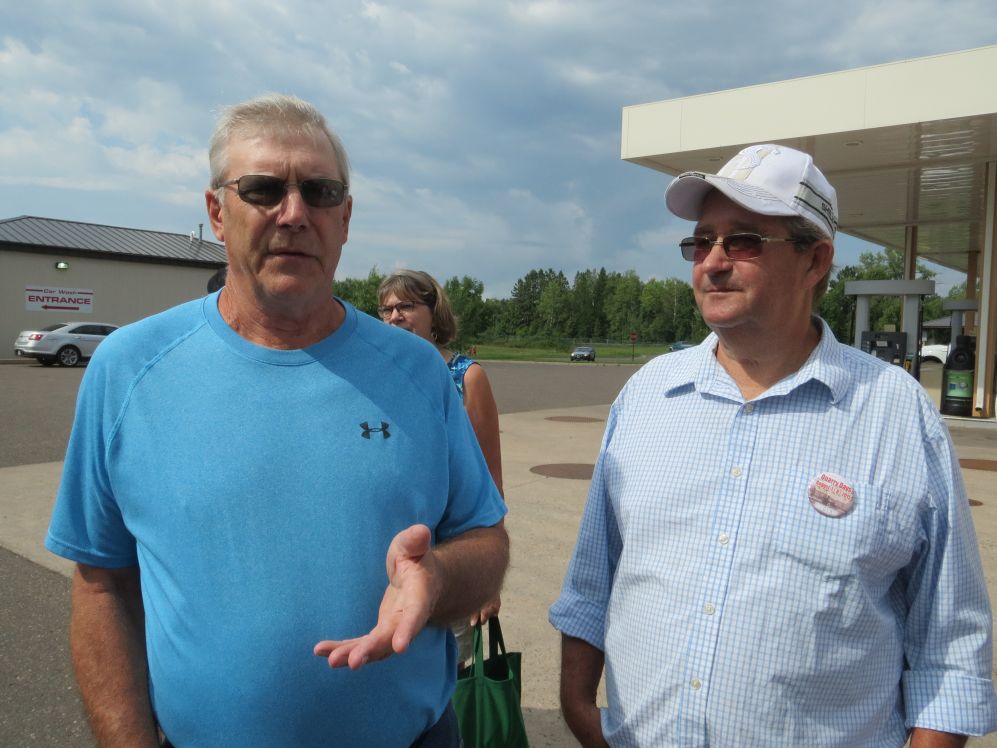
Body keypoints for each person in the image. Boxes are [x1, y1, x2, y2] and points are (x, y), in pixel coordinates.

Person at [45, 93, 508, 748]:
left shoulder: (418, 371)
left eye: (320, 192)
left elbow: (486, 543)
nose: (295, 213)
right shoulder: (128, 369)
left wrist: (436, 578)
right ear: (217, 212)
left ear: (344, 219)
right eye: (263, 189)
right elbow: (102, 587)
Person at [549, 143, 997, 747]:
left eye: (743, 241)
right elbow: (592, 582)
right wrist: (580, 709)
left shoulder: (895, 414)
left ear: (815, 260)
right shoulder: (648, 396)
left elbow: (951, 650)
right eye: (701, 241)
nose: (713, 262)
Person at [378, 269, 504, 655]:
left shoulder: (467, 377)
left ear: (434, 313)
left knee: (451, 669)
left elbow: (490, 479)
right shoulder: (381, 375)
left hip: (449, 555)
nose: (394, 316)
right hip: (390, 553)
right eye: (386, 309)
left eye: (406, 306)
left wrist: (487, 582)